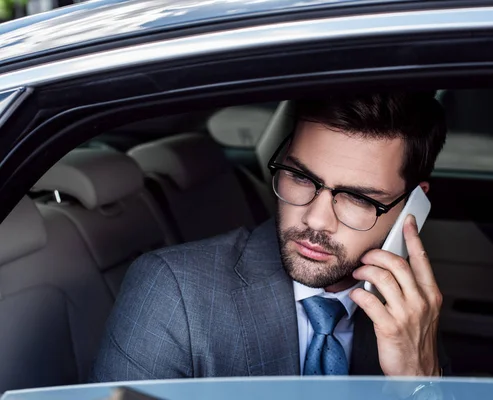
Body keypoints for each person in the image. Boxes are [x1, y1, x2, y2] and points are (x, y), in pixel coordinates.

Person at [90, 92, 449, 384]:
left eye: (358, 198)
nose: (315, 218)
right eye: (301, 176)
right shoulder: (173, 291)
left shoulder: (409, 309)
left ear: (411, 207)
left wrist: (422, 381)